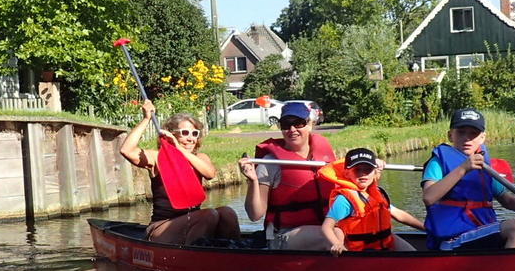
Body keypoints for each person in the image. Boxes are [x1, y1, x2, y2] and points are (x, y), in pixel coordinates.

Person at [420, 108, 515, 250]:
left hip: (482, 231)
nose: (467, 138)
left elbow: (507, 200)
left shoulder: (484, 165)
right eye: (461, 132)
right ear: (450, 135)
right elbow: (429, 197)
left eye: (473, 133)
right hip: (452, 240)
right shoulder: (438, 162)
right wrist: (463, 169)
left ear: (482, 137)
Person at [119, 99, 241, 245]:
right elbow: (126, 150)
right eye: (185, 133)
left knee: (227, 213)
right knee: (209, 215)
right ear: (172, 135)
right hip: (162, 227)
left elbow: (210, 174)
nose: (191, 139)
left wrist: (180, 149)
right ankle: (193, 255)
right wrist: (146, 119)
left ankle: (234, 252)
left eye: (194, 134)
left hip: (195, 221)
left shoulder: (200, 158)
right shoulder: (157, 157)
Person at [239, 100, 336, 249]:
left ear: (310, 124)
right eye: (285, 124)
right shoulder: (269, 164)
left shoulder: (324, 157)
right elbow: (255, 215)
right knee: (329, 237)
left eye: (298, 123)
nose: (292, 129)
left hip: (323, 227)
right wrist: (253, 181)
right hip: (283, 234)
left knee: (351, 232)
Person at [317, 147, 424, 253]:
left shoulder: (377, 194)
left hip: (384, 245)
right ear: (347, 173)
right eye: (357, 170)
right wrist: (337, 244)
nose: (363, 174)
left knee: (414, 254)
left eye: (368, 169)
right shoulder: (344, 200)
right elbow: (327, 227)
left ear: (374, 173)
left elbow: (399, 215)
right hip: (358, 251)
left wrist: (426, 228)